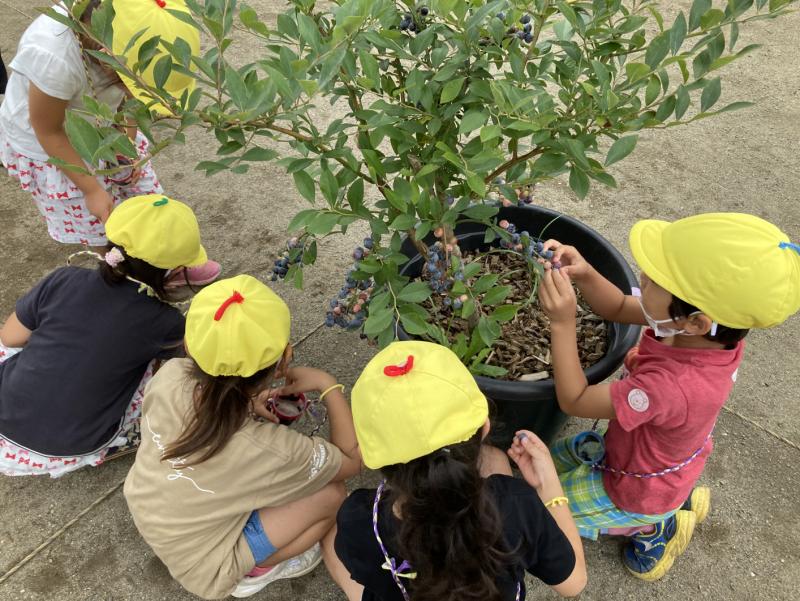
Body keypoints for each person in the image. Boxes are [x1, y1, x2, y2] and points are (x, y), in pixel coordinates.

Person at [536, 213, 800, 581]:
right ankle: (677, 500)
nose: (643, 277)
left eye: (657, 279)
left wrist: (562, 322)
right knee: (546, 463)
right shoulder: (694, 333)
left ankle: (652, 528)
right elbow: (617, 308)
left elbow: (575, 400)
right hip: (654, 455)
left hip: (631, 488)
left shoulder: (670, 387)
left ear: (696, 321)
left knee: (541, 509)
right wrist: (586, 273)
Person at [124, 274, 362, 600]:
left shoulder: (170, 375)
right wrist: (328, 385)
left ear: (192, 344)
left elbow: (208, 409)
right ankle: (255, 572)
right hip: (207, 565)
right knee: (333, 496)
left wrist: (246, 404)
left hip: (151, 508)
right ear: (284, 359)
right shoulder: (276, 451)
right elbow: (351, 461)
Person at [327, 340, 587, 601]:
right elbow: (573, 583)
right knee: (495, 459)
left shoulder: (358, 519)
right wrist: (548, 485)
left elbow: (357, 567)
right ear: (484, 427)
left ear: (369, 455)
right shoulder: (515, 506)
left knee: (331, 543)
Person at [0, 0, 218, 286]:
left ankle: (167, 264)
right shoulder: (52, 56)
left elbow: (131, 99)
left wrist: (123, 142)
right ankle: (126, 277)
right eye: (133, 79)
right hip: (56, 145)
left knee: (146, 201)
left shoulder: (138, 28)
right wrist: (91, 189)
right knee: (103, 223)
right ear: (106, 53)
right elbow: (48, 130)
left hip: (102, 126)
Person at [0, 193, 209, 477]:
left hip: (5, 413)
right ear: (174, 274)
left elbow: (10, 337)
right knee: (159, 371)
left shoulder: (64, 278)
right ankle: (126, 440)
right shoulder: (166, 322)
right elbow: (194, 364)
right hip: (75, 442)